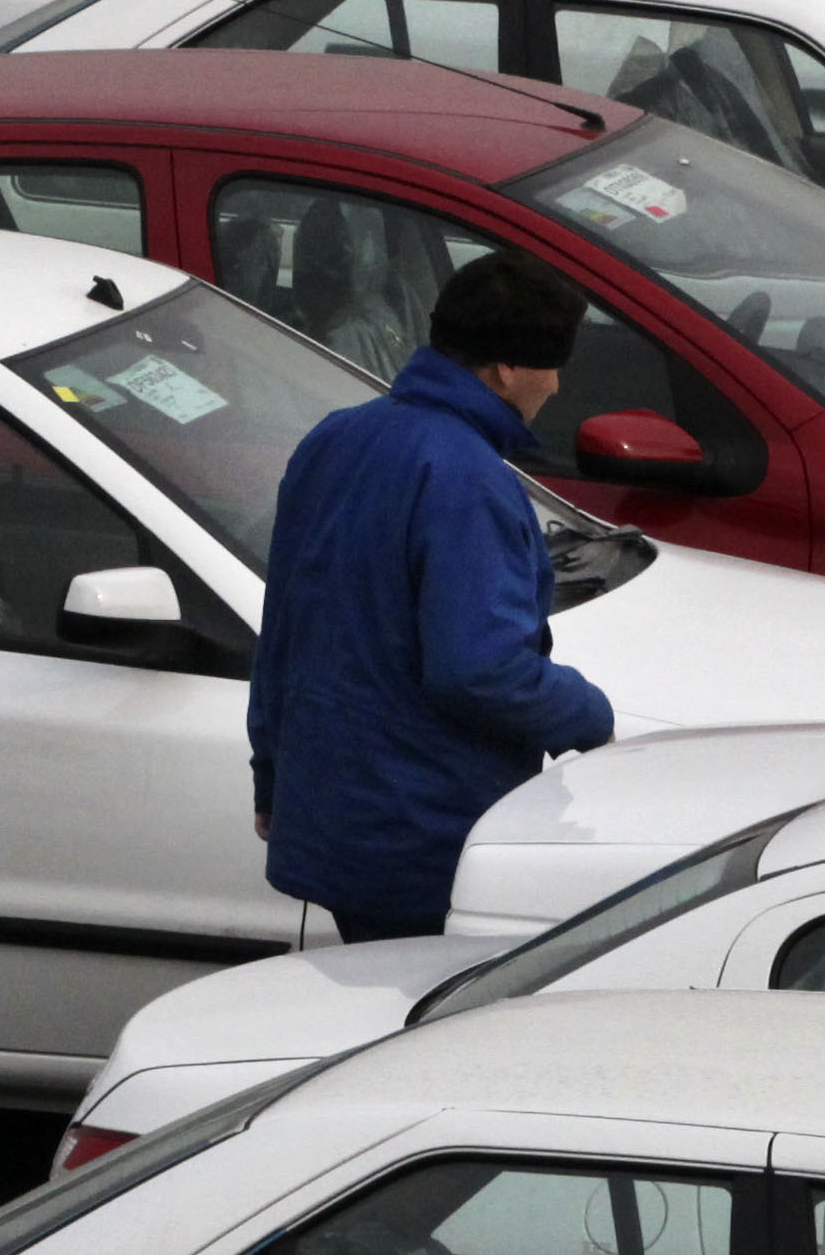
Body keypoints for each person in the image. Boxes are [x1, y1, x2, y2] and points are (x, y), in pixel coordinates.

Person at [247, 251, 618, 942]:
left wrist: (271, 774)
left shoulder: (333, 439)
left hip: (335, 811)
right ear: (506, 370)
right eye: (551, 362)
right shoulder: (468, 478)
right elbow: (479, 668)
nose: (558, 383)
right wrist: (590, 716)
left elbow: (286, 631)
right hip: (422, 830)